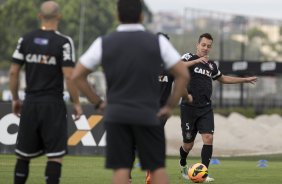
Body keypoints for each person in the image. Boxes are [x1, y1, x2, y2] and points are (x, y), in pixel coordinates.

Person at [71, 0, 189, 183]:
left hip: (117, 114)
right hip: (148, 113)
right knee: (157, 170)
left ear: (117, 16)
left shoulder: (104, 42)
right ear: (142, 16)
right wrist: (170, 105)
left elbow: (77, 75)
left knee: (122, 170)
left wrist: (98, 102)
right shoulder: (158, 42)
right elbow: (182, 74)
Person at [9, 1, 82, 184]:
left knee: (23, 156)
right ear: (59, 17)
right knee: (55, 156)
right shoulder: (64, 42)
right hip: (53, 105)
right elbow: (69, 76)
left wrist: (16, 99)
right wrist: (77, 103)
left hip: (31, 102)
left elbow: (13, 72)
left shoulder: (25, 39)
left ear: (39, 16)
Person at [179, 33, 257, 182]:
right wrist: (196, 61)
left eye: (209, 46)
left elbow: (223, 78)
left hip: (205, 108)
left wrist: (245, 80)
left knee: (208, 138)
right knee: (187, 145)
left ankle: (204, 173)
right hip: (188, 108)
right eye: (203, 45)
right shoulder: (189, 57)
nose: (206, 48)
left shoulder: (211, 65)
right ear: (197, 45)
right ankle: (183, 162)